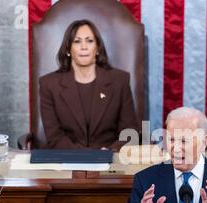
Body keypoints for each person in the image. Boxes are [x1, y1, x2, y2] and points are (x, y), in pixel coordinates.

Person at [39, 19, 139, 151]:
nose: (84, 47)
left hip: (110, 160)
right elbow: (54, 136)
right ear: (68, 49)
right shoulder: (49, 84)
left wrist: (109, 152)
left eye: (89, 41)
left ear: (97, 48)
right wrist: (87, 156)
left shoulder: (119, 80)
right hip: (66, 160)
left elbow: (130, 131)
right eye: (77, 41)